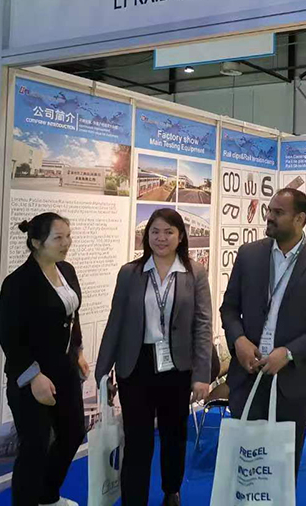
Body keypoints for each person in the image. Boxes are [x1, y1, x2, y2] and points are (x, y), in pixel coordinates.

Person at [221, 188, 306, 477]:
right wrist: (238, 340)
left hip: (293, 381)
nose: (269, 216)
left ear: (299, 219)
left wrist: (289, 353)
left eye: (278, 212)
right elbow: (229, 308)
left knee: (282, 470)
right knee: (245, 466)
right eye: (269, 210)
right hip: (247, 376)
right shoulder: (248, 255)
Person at [95, 208, 212, 506]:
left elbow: (203, 325)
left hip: (177, 367)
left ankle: (171, 489)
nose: (161, 238)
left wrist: (202, 374)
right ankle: (134, 499)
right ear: (146, 235)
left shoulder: (194, 272)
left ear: (180, 236)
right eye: (155, 231)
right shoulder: (130, 272)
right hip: (136, 365)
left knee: (174, 435)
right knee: (137, 440)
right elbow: (115, 322)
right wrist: (103, 372)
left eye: (168, 232)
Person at [0, 213, 88, 506]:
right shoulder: (18, 282)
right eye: (58, 238)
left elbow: (72, 314)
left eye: (68, 236)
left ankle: (47, 496)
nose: (66, 243)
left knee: (73, 432)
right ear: (36, 242)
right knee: (34, 446)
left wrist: (78, 351)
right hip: (30, 376)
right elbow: (10, 336)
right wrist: (33, 376)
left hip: (65, 369)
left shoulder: (67, 270)